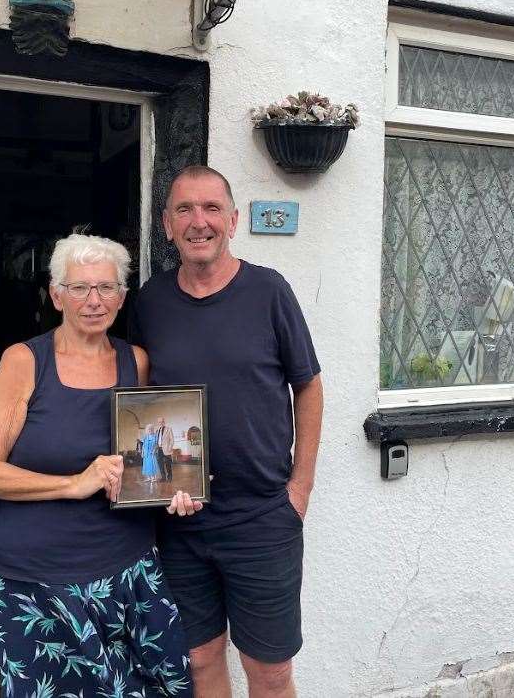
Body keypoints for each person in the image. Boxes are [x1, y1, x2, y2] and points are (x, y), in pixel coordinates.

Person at [0, 232, 201, 698]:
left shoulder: (137, 362)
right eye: (79, 288)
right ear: (56, 295)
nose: (94, 300)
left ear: (122, 296)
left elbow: (149, 457)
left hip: (126, 570)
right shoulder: (25, 362)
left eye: (106, 288)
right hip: (32, 580)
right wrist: (74, 483)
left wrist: (174, 487)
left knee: (155, 685)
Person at [131, 166, 324, 697]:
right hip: (181, 522)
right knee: (198, 661)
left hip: (262, 518)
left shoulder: (268, 291)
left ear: (233, 220)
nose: (199, 221)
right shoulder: (150, 303)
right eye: (185, 210)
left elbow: (308, 387)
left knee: (270, 671)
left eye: (212, 208)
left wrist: (299, 488)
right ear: (166, 224)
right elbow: (144, 403)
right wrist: (154, 485)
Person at [141, 423, 160, 488]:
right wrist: (142, 452)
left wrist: (154, 451)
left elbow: (156, 445)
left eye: (150, 429)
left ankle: (154, 477)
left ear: (152, 429)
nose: (149, 430)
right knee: (146, 465)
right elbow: (143, 445)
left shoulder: (155, 436)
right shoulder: (146, 436)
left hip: (151, 453)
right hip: (146, 453)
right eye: (148, 429)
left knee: (152, 465)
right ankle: (148, 477)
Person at [156, 416, 174, 482]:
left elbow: (172, 440)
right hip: (159, 449)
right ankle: (163, 477)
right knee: (160, 464)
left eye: (162, 421)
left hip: (167, 450)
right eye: (159, 422)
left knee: (168, 464)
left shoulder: (169, 429)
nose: (160, 423)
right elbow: (157, 440)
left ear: (164, 422)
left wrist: (169, 448)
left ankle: (169, 477)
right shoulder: (157, 430)